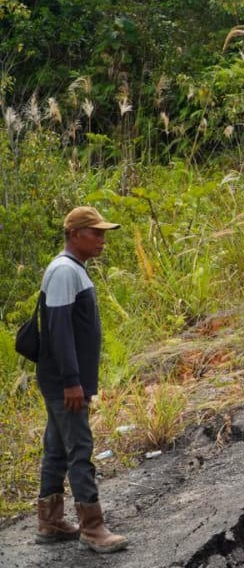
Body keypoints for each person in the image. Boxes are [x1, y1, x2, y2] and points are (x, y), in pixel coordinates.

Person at [35, 206, 128, 553]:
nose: (103, 240)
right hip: (64, 383)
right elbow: (59, 333)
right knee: (80, 450)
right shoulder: (63, 271)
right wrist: (72, 382)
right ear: (75, 235)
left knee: (57, 449)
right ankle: (93, 528)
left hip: (63, 381)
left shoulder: (72, 269)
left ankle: (51, 521)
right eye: (97, 233)